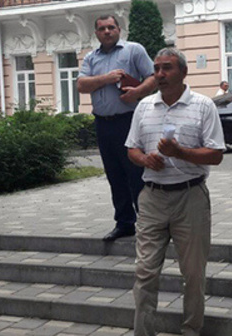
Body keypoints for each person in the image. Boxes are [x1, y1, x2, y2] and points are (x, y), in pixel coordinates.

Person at [125, 48, 225, 336]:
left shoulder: (204, 106)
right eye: (156, 68)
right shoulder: (144, 106)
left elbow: (216, 155)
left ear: (183, 72)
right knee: (144, 271)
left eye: (167, 68)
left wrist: (179, 152)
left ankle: (191, 330)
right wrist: (144, 159)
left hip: (190, 197)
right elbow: (132, 147)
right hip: (152, 197)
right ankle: (144, 332)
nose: (159, 74)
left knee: (193, 273)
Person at [77, 15, 157, 241]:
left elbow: (153, 76)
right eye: (102, 28)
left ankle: (147, 223)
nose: (107, 31)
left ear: (119, 29)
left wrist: (139, 92)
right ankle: (124, 223)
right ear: (96, 33)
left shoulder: (133, 50)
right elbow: (81, 85)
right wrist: (107, 78)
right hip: (103, 123)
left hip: (129, 120)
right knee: (114, 175)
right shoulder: (91, 58)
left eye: (111, 27)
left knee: (135, 173)